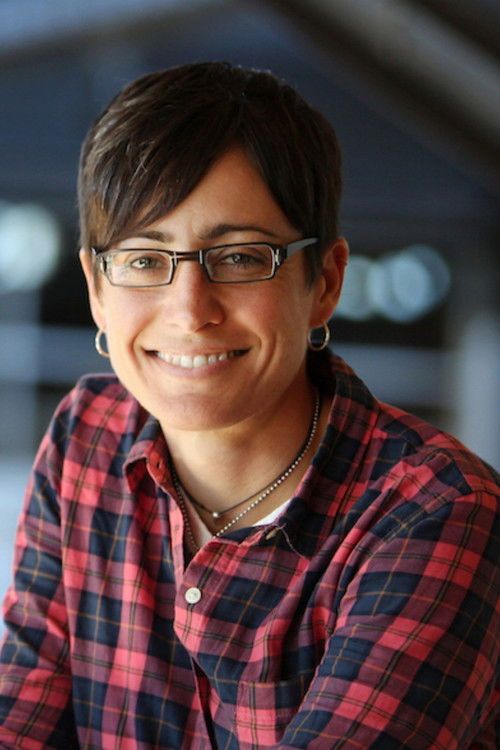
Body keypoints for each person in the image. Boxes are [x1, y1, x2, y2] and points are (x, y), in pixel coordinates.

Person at [0, 61, 497, 750]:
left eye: (239, 258)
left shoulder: (436, 513)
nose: (190, 311)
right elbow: (23, 711)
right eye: (144, 260)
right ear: (96, 289)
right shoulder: (87, 436)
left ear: (325, 282)